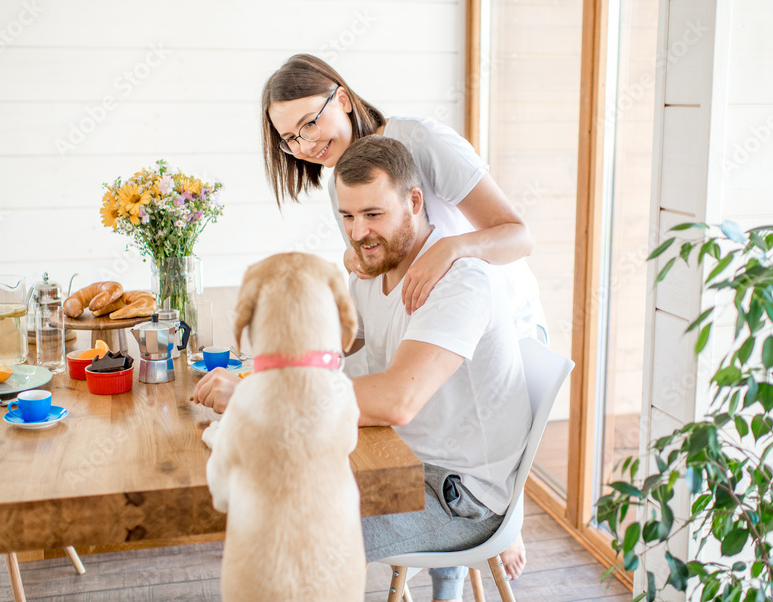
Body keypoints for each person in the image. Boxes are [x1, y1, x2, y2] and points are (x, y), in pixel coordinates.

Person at [194, 136, 532, 602]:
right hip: (399, 460)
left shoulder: (462, 284)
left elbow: (397, 400)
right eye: (348, 217)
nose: (358, 234)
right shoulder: (375, 267)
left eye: (373, 215)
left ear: (414, 202)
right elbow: (326, 352)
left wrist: (256, 396)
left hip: (459, 497)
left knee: (287, 518)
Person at [261, 53, 546, 347]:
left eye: (309, 124)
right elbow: (383, 263)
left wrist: (451, 248)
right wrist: (354, 259)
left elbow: (519, 237)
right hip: (438, 332)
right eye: (291, 139)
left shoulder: (423, 141)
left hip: (506, 328)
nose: (305, 146)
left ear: (343, 100)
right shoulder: (340, 184)